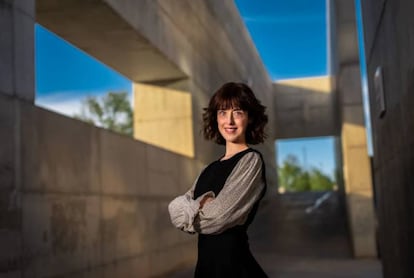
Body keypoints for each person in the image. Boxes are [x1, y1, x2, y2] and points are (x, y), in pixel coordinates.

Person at [168, 82, 268, 277]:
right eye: (222, 112)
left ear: (250, 118)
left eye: (238, 112)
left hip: (235, 269)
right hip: (205, 270)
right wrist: (203, 204)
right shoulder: (209, 168)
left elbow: (218, 218)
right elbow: (175, 210)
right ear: (215, 118)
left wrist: (192, 209)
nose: (229, 120)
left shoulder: (251, 161)